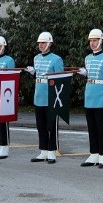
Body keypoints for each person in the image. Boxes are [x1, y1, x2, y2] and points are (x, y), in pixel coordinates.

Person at [77, 29, 103, 169]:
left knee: (101, 128)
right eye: (90, 41)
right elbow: (91, 76)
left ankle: (102, 155)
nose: (92, 43)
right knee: (91, 128)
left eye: (94, 40)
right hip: (90, 96)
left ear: (101, 41)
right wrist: (85, 74)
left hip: (101, 97)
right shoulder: (87, 58)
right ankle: (93, 153)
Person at [27, 32, 64, 163]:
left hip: (51, 97)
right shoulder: (36, 58)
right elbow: (38, 76)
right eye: (39, 43)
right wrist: (33, 73)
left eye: (43, 43)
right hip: (39, 96)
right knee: (40, 125)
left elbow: (60, 80)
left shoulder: (56, 59)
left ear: (49, 43)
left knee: (51, 126)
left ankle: (52, 151)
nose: (40, 45)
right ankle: (43, 151)